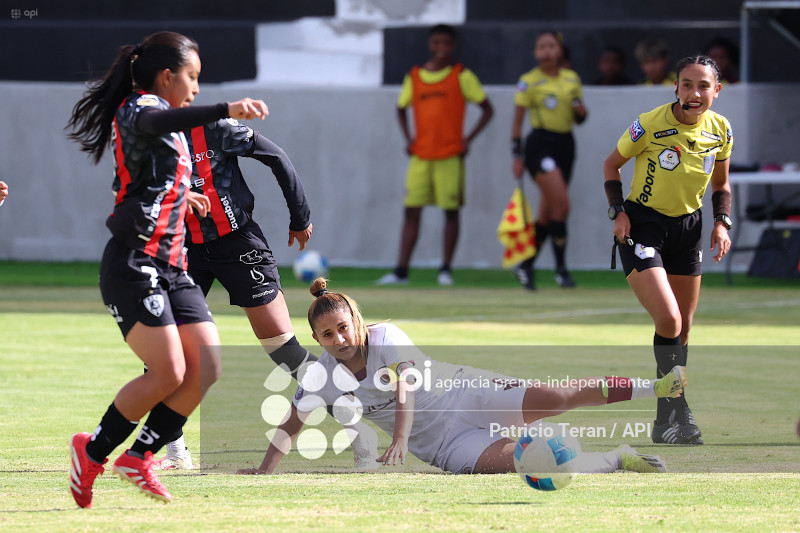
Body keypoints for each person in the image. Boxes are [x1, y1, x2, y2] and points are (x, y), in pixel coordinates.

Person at [65, 30, 269, 508]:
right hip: (134, 262)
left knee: (207, 367)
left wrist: (185, 196)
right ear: (166, 76)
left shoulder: (172, 126)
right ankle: (92, 452)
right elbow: (157, 122)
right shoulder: (138, 108)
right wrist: (226, 108)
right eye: (192, 78)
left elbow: (153, 176)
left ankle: (135, 457)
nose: (197, 88)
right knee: (168, 371)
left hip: (172, 264)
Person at [236, 278, 689, 476]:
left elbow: (406, 390)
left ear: (357, 320)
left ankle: (657, 387)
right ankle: (615, 459)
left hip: (467, 395)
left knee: (561, 394)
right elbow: (293, 423)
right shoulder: (321, 374)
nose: (338, 339)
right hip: (446, 448)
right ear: (316, 337)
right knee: (535, 462)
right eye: (326, 334)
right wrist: (263, 469)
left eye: (343, 327)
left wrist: (398, 439)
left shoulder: (387, 335)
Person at [155, 115, 378, 470]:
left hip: (239, 244)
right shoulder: (150, 137)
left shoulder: (217, 129)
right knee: (165, 347)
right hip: (185, 250)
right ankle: (176, 452)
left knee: (285, 351)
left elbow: (276, 156)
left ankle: (358, 430)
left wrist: (299, 215)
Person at [602, 55, 733, 445]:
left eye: (703, 86)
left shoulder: (721, 130)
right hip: (643, 226)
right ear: (675, 88)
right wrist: (618, 212)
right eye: (687, 85)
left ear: (716, 90)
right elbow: (612, 165)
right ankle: (680, 409)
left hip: (688, 230)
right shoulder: (650, 123)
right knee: (670, 322)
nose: (695, 93)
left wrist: (722, 223)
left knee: (685, 329)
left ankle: (665, 422)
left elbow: (721, 186)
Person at [376, 24, 494, 287]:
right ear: (431, 44)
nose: (441, 48)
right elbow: (400, 108)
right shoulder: (415, 76)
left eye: (446, 43)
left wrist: (467, 139)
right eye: (437, 42)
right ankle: (401, 271)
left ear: (452, 46)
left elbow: (487, 109)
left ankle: (445, 269)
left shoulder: (461, 75)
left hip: (450, 155)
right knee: (411, 211)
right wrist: (409, 139)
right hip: (421, 155)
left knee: (450, 212)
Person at [511, 30, 587, 290]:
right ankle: (561, 270)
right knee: (562, 204)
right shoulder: (529, 81)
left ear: (560, 50)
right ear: (535, 52)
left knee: (548, 213)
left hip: (565, 145)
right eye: (541, 46)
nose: (546, 51)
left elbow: (580, 115)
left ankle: (526, 266)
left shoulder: (571, 79)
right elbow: (518, 119)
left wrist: (580, 111)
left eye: (551, 46)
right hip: (540, 146)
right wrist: (516, 155)